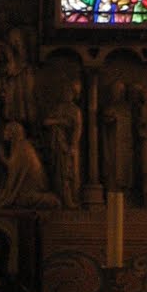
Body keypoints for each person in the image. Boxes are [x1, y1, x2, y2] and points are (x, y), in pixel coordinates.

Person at [42, 79, 83, 208]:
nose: (66, 94)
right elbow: (46, 122)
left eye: (69, 92)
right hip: (57, 145)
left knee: (69, 173)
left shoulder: (75, 110)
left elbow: (77, 129)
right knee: (58, 172)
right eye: (64, 91)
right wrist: (59, 121)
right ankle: (61, 198)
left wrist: (72, 146)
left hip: (69, 146)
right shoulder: (58, 108)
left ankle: (71, 199)